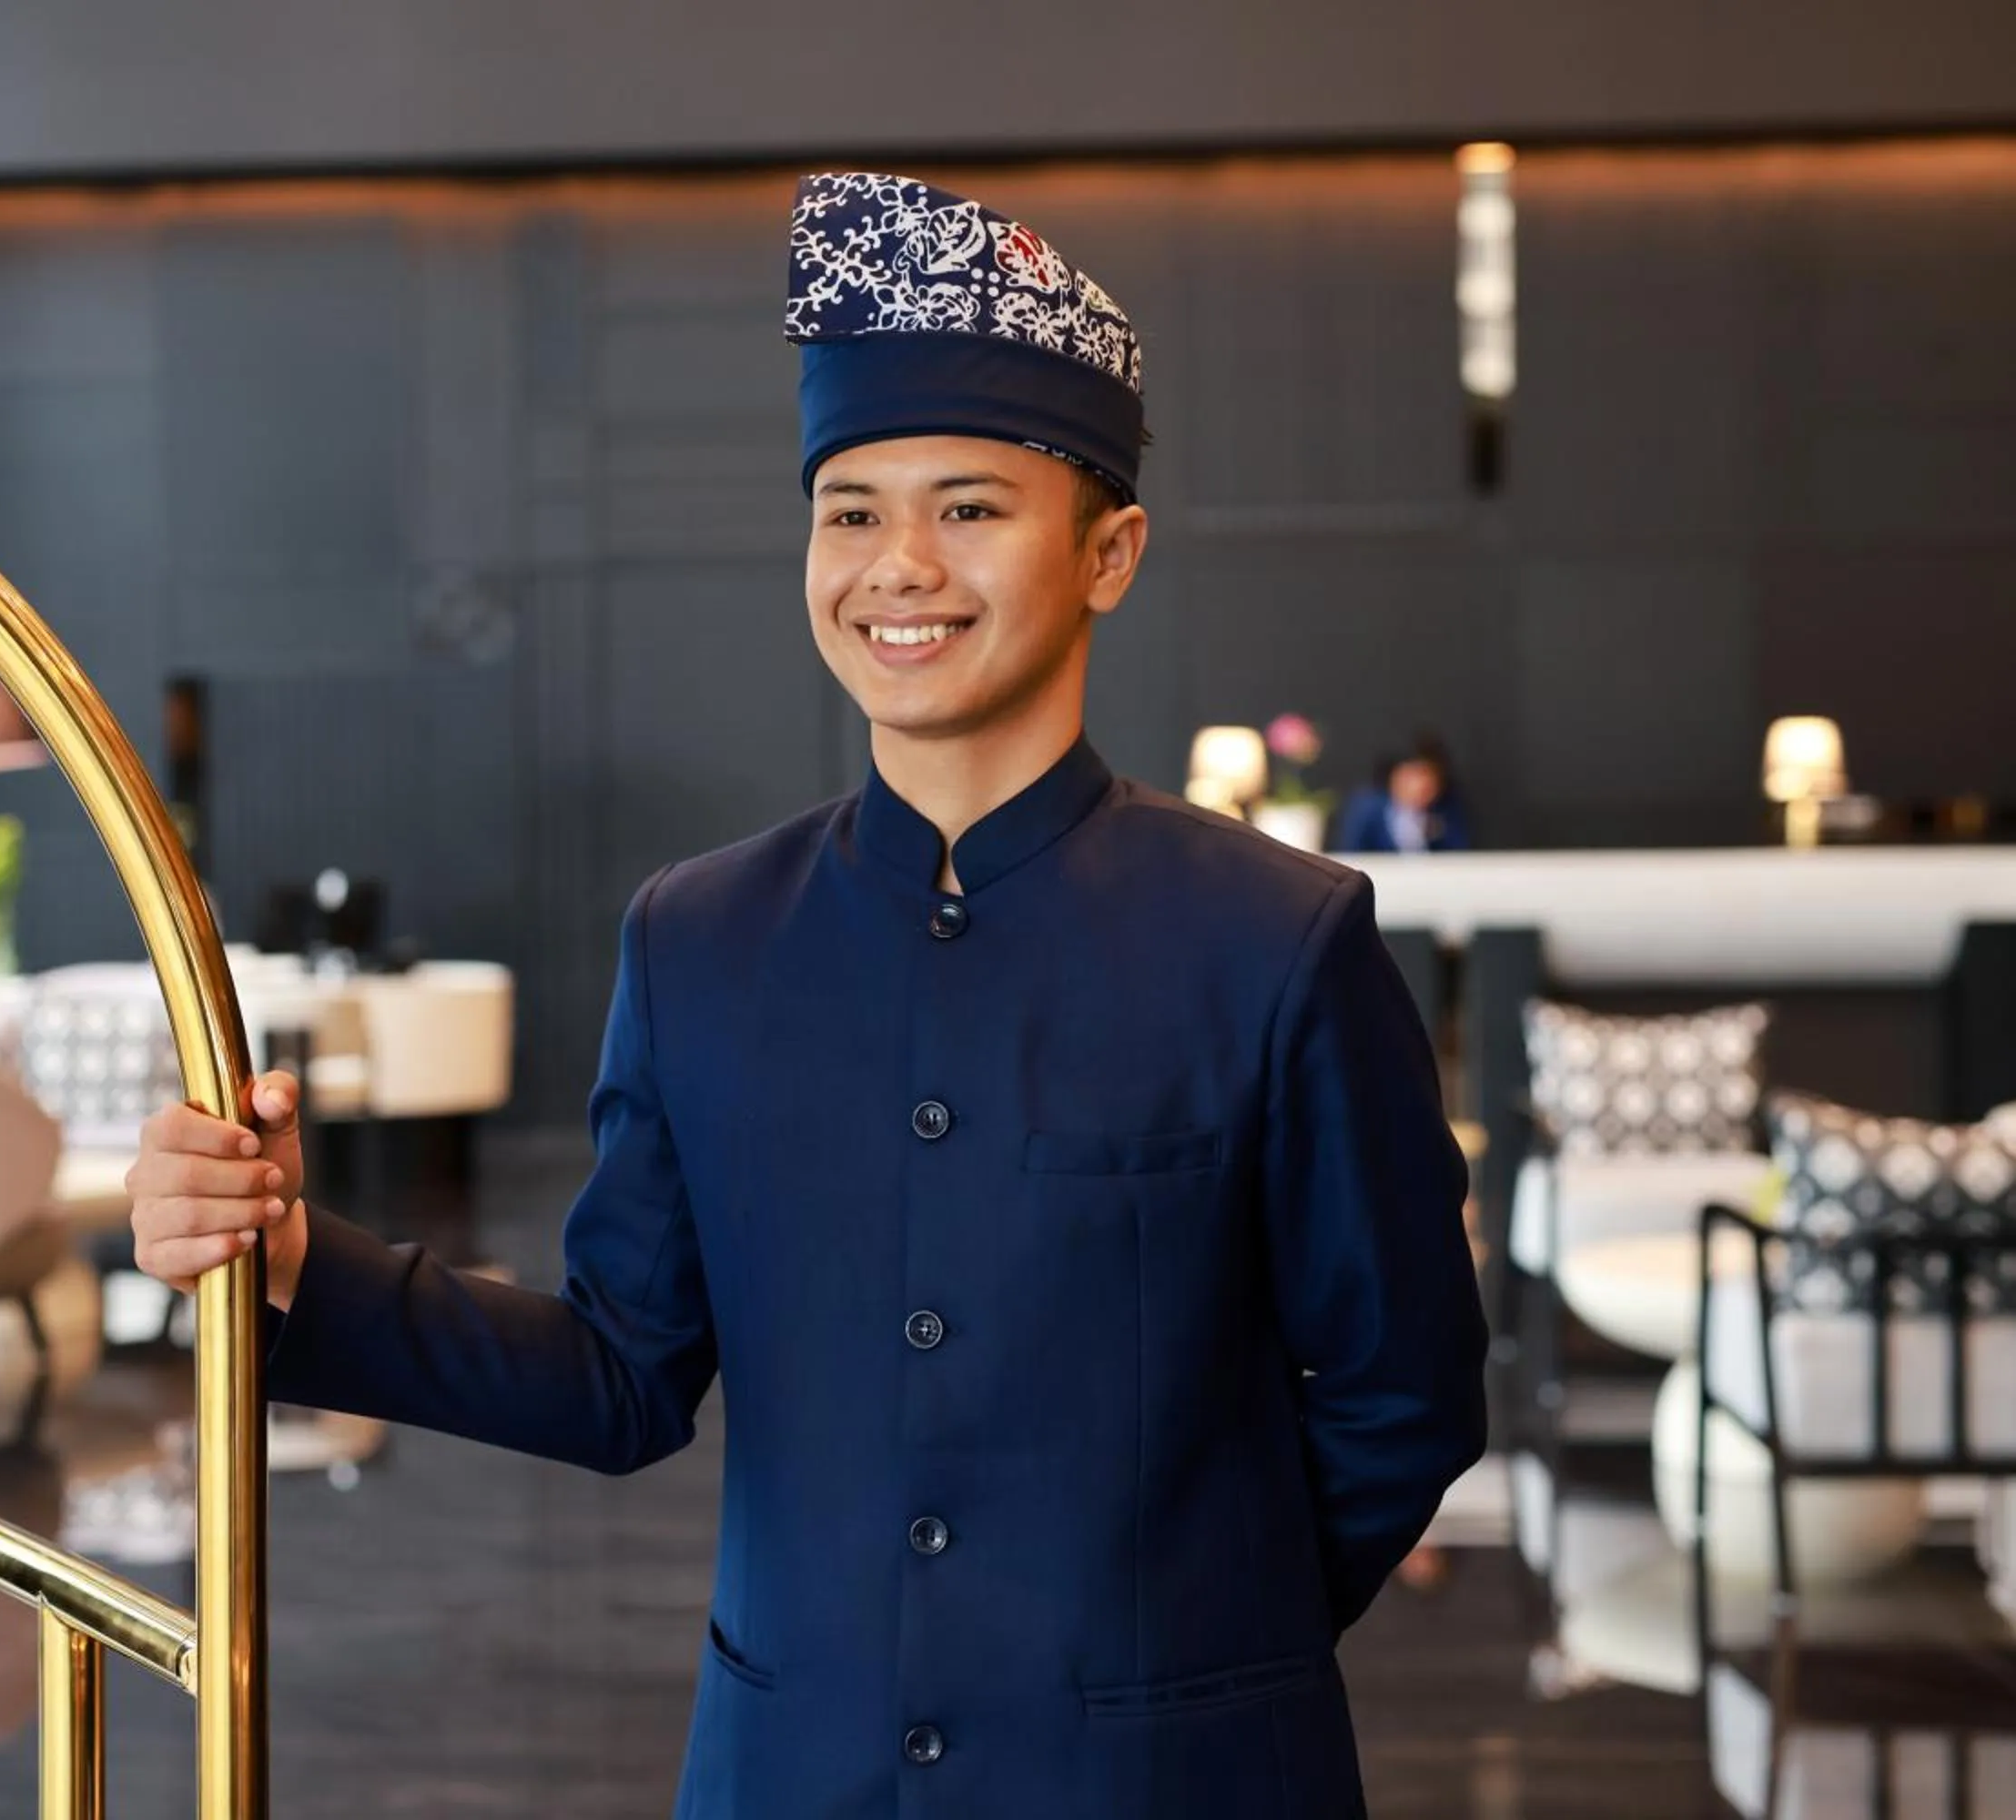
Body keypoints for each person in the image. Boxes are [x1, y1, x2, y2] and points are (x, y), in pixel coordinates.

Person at [131, 172, 1486, 1818]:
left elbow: (1406, 1390)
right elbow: (623, 1372)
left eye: (970, 508)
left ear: (1109, 551)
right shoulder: (697, 941)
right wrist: (285, 1260)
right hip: (790, 1771)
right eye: (850, 510)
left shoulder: (1280, 941)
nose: (898, 566)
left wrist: (1199, 1648)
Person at [1332, 748, 1471, 854]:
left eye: (1429, 780)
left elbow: (1459, 852)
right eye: (1412, 777)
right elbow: (1350, 852)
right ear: (1394, 778)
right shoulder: (1367, 808)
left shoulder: (1446, 810)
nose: (1420, 786)